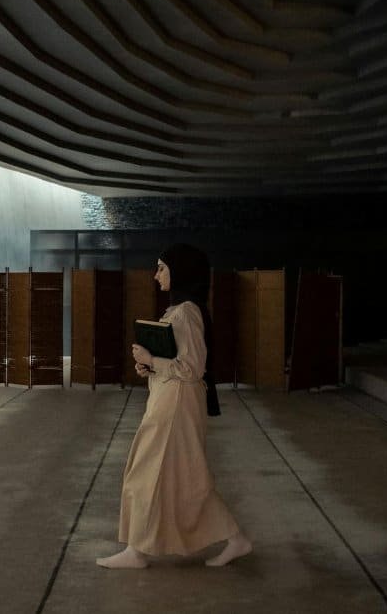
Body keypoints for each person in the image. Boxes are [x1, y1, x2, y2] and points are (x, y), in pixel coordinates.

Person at [96, 243, 252, 569]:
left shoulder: (185, 313)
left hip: (175, 405)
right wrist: (151, 366)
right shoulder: (181, 311)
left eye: (161, 268)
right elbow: (181, 363)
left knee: (144, 472)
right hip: (172, 399)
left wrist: (152, 359)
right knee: (187, 478)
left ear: (179, 271)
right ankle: (236, 539)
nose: (155, 275)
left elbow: (193, 367)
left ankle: (137, 552)